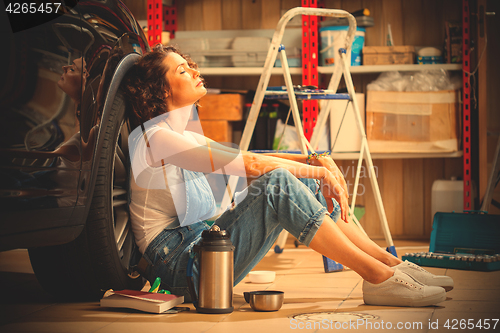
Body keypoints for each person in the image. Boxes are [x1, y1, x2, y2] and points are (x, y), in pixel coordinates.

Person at [122, 44, 453, 308]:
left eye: (190, 64)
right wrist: (319, 171)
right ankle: (378, 278)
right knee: (279, 183)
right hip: (183, 269)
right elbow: (250, 165)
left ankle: (389, 263)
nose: (194, 71)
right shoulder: (157, 139)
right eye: (182, 70)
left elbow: (254, 158)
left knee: (302, 180)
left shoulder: (185, 136)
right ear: (161, 91)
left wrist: (315, 161)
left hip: (208, 250)